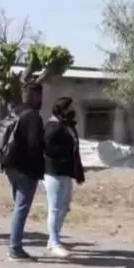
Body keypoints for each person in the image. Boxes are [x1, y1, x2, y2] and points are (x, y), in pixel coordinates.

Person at [4, 82, 47, 262]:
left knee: (18, 207)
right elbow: (34, 145)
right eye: (40, 95)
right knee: (21, 208)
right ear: (35, 95)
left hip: (11, 167)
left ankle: (15, 245)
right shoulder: (33, 117)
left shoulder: (15, 112)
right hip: (25, 169)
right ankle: (15, 248)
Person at [43, 97, 85, 258]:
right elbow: (49, 150)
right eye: (69, 108)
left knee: (64, 207)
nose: (73, 111)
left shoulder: (65, 126)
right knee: (54, 207)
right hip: (54, 172)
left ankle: (53, 238)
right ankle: (54, 242)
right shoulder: (52, 128)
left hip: (66, 172)